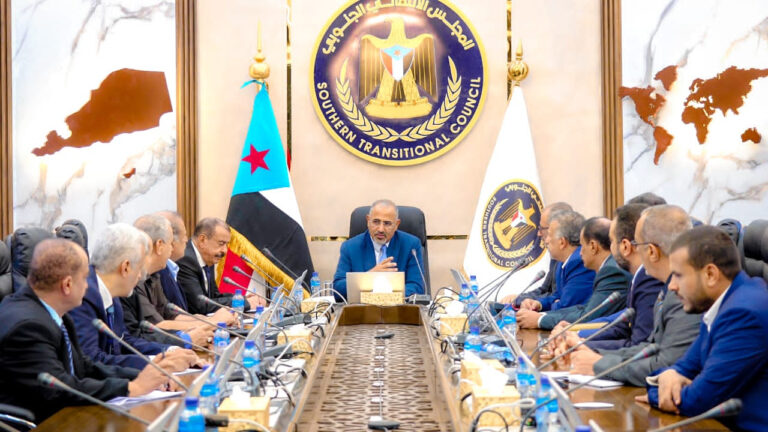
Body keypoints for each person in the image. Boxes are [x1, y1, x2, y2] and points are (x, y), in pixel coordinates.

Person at [0, 239, 169, 421]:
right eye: (84, 278)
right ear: (67, 285)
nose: (88, 285)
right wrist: (131, 388)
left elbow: (83, 366)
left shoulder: (54, 312)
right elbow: (59, 388)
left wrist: (141, 376)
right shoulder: (28, 327)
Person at [640, 226, 768, 431]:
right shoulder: (724, 303)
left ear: (710, 274)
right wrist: (667, 376)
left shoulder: (743, 313)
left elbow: (697, 401)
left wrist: (656, 394)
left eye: (678, 275)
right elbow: (685, 366)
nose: (672, 286)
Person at [563, 205, 701, 386]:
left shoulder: (685, 293)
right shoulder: (668, 288)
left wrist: (599, 364)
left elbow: (665, 364)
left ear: (651, 251)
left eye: (637, 243)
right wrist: (592, 353)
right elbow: (649, 347)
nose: (634, 250)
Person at [69, 223, 199, 370]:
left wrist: (169, 351)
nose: (141, 276)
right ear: (125, 267)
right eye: (140, 268)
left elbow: (124, 342)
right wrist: (153, 364)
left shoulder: (112, 293)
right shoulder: (82, 297)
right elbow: (92, 361)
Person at [557, 204, 664, 350]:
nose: (609, 248)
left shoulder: (648, 280)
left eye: (612, 241)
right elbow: (623, 322)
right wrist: (577, 335)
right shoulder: (639, 276)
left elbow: (638, 344)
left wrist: (579, 345)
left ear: (625, 246)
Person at [121, 214, 218, 347]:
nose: (172, 249)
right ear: (160, 245)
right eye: (170, 243)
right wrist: (211, 323)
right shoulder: (133, 280)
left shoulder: (155, 274)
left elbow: (169, 312)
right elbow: (156, 325)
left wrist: (204, 321)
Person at [527, 217, 631, 330]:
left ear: (593, 246)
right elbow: (585, 308)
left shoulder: (612, 271)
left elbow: (588, 316)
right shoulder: (608, 268)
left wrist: (540, 320)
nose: (580, 253)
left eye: (582, 246)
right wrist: (542, 315)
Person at [516, 210, 594, 328]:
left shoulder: (579, 262)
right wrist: (538, 304)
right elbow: (557, 295)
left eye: (550, 235)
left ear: (562, 242)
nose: (546, 240)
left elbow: (567, 306)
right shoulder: (561, 262)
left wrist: (538, 316)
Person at [333, 199, 425, 300]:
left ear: (396, 225)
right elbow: (337, 289)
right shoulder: (350, 247)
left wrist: (386, 297)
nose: (381, 229)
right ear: (368, 221)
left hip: (398, 307)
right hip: (362, 308)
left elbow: (417, 287)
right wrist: (370, 277)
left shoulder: (411, 245)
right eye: (376, 222)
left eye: (387, 223)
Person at [500, 202, 573, 306]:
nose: (538, 233)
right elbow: (544, 290)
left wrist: (531, 303)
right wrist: (519, 298)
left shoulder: (576, 260)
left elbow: (558, 298)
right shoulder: (556, 257)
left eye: (542, 228)